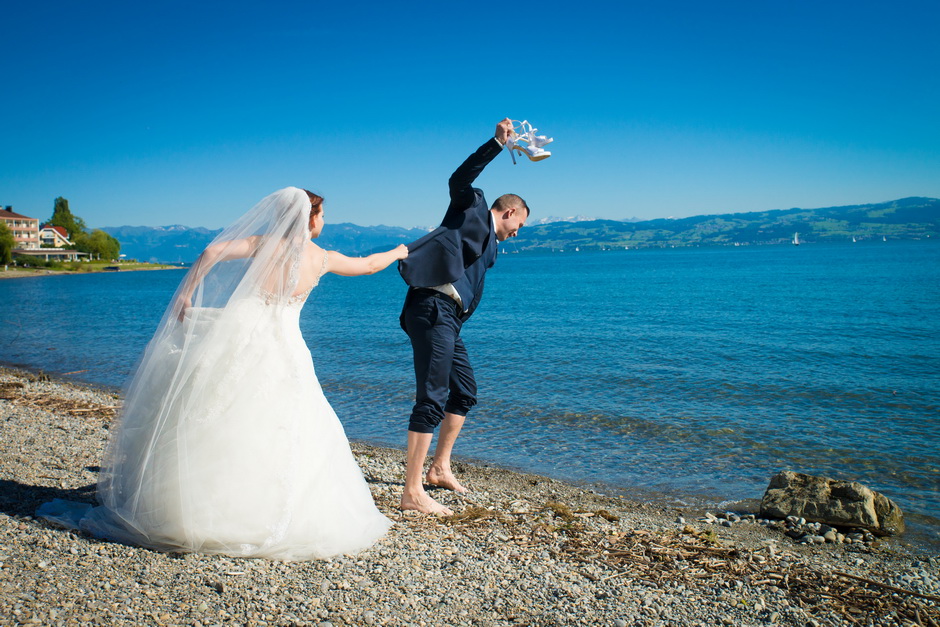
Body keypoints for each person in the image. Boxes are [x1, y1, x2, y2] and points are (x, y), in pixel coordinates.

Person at [38, 187, 407, 560]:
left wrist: (186, 293)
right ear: (309, 218)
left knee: (216, 412)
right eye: (322, 214)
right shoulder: (321, 257)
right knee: (284, 421)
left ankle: (187, 508)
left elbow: (211, 252)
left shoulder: (263, 243)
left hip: (238, 335)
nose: (324, 221)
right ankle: (263, 512)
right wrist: (397, 252)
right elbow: (369, 265)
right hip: (285, 346)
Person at [398, 118, 530, 515]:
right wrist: (495, 144)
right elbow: (460, 176)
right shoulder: (470, 207)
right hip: (430, 307)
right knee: (432, 398)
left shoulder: (492, 248)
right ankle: (411, 492)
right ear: (508, 211)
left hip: (449, 318)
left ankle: (439, 469)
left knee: (465, 391)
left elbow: (472, 284)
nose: (517, 233)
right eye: (519, 225)